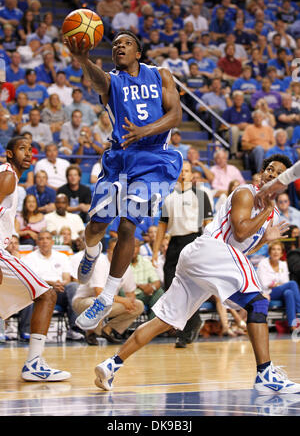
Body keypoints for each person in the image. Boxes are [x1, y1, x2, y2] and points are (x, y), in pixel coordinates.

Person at [94, 154, 300, 395]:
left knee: (164, 321)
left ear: (283, 183)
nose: (273, 175)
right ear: (262, 173)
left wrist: (265, 238)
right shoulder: (247, 193)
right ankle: (265, 374)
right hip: (211, 250)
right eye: (270, 170)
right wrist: (266, 212)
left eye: (278, 174)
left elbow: (244, 246)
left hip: (204, 260)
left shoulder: (271, 213)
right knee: (259, 305)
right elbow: (240, 233)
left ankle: (111, 364)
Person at [64, 30, 183, 331]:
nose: (119, 47)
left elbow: (176, 115)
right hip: (120, 159)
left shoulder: (160, 75)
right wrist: (83, 60)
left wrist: (146, 131)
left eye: (126, 43)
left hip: (155, 159)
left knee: (129, 225)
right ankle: (92, 252)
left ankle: (105, 298)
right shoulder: (112, 81)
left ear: (138, 52)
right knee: (96, 227)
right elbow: (98, 81)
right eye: (115, 44)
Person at [0, 136, 70, 381]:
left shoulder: (12, 178)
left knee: (46, 292)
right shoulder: (7, 176)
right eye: (22, 149)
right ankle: (34, 364)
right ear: (9, 154)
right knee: (47, 296)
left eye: (31, 150)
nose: (28, 153)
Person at [152, 160, 213, 348]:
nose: (183, 174)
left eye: (186, 171)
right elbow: (162, 226)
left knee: (190, 287)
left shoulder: (201, 195)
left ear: (191, 174)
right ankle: (192, 323)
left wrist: (210, 247)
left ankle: (186, 330)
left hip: (193, 240)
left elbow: (208, 223)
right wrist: (155, 251)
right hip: (174, 243)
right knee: (171, 285)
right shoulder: (168, 196)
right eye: (181, 171)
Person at [72, 237, 144, 345]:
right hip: (83, 301)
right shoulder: (100, 262)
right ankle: (91, 333)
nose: (118, 252)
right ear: (109, 251)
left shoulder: (125, 267)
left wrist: (130, 301)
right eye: (115, 249)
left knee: (138, 305)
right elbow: (99, 292)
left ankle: (107, 330)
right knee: (97, 302)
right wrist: (124, 301)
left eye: (121, 250)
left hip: (109, 302)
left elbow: (130, 294)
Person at [22, 230, 83, 341]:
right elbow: (30, 280)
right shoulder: (28, 258)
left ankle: (75, 328)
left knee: (73, 286)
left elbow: (67, 278)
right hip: (40, 292)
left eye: (47, 238)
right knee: (29, 292)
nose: (44, 241)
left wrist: (60, 284)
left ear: (52, 241)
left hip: (59, 291)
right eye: (41, 239)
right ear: (37, 242)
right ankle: (27, 331)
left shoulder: (62, 257)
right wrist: (51, 284)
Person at [257, 240, 300, 332]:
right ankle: (299, 312)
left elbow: (285, 281)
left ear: (281, 253)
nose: (276, 252)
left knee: (289, 293)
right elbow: (264, 284)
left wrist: (274, 284)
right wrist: (277, 284)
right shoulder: (263, 264)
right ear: (269, 252)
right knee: (292, 284)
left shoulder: (283, 264)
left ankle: (292, 326)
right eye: (273, 249)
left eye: (278, 250)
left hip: (279, 291)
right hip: (267, 293)